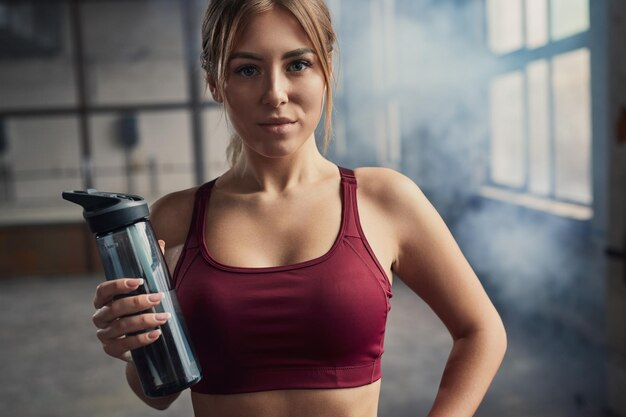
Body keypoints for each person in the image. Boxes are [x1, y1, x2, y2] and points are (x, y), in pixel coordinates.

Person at [91, 0, 507, 416]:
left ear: (326, 71)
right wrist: (133, 347)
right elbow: (159, 395)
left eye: (297, 65)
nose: (275, 94)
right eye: (247, 69)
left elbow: (481, 331)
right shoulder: (175, 219)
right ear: (215, 82)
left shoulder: (384, 200)